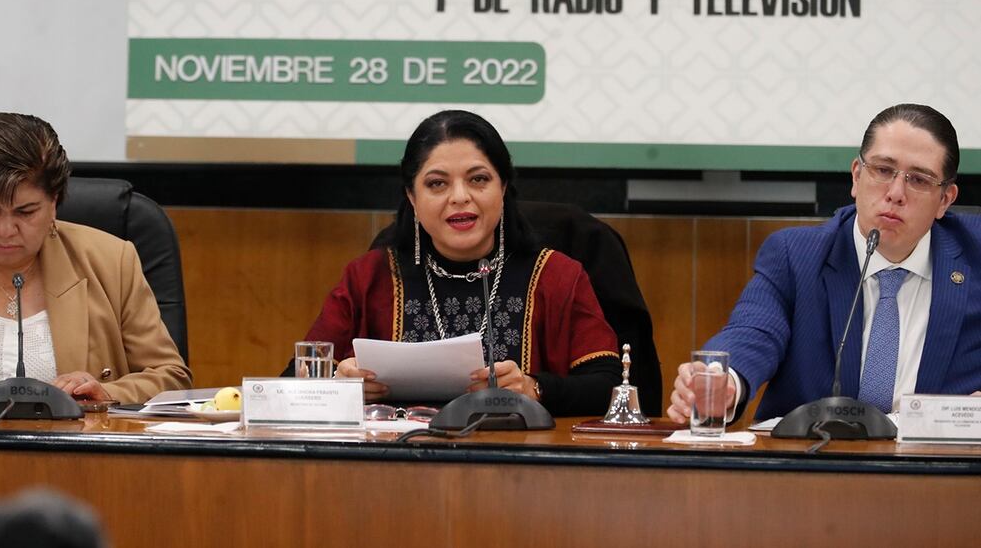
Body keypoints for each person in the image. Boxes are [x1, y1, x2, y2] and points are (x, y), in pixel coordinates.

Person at [668, 103, 981, 425]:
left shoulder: (975, 254)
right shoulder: (797, 256)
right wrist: (722, 381)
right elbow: (753, 331)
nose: (896, 193)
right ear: (857, 177)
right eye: (883, 171)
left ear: (945, 199)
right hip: (815, 464)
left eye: (919, 179)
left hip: (938, 468)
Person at [300, 110, 624, 416]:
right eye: (437, 183)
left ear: (504, 187)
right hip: (398, 466)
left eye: (478, 179)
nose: (459, 197)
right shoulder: (369, 278)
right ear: (412, 197)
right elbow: (299, 376)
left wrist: (534, 388)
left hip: (518, 467)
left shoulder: (556, 276)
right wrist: (337, 386)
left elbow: (609, 385)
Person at [0, 112, 191, 404]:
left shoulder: (113, 263)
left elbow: (171, 378)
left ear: (54, 203)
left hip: (77, 448)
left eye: (25, 212)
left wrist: (108, 393)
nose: (5, 230)